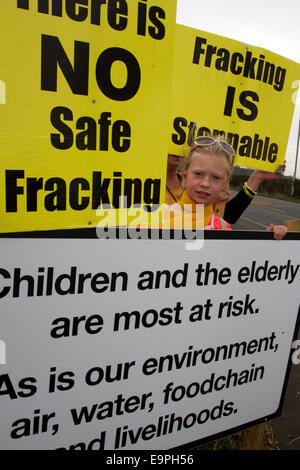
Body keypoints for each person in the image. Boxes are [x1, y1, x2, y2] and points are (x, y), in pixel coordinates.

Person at [165, 136, 287, 238]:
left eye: (215, 178)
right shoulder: (159, 218)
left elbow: (237, 262)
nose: (205, 183)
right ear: (185, 177)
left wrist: (268, 241)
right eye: (198, 174)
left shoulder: (222, 227)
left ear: (224, 185)